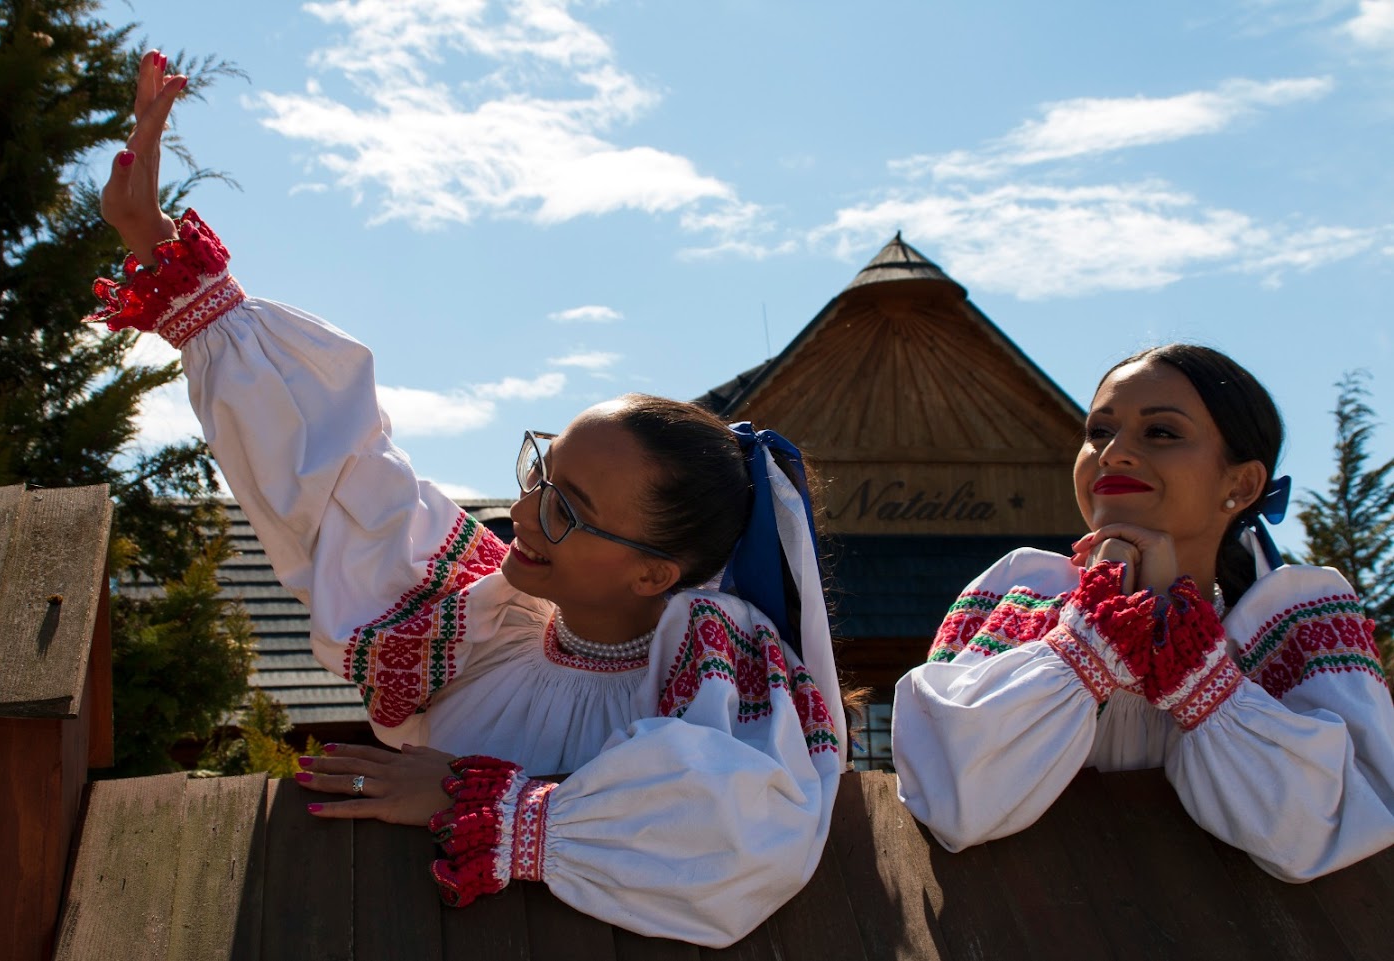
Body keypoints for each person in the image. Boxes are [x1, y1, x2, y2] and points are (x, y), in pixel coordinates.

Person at [88, 53, 846, 947]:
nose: (523, 514)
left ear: (655, 571)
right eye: (540, 472)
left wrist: (476, 798)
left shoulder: (716, 665)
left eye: (565, 507)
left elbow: (745, 833)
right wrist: (158, 249)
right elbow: (336, 480)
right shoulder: (478, 614)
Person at [891, 342, 1394, 881]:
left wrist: (1192, 664)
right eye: (1098, 432)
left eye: (1161, 433)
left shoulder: (1295, 624)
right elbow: (952, 799)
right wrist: (1092, 637)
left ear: (1242, 484)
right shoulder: (1018, 595)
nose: (1112, 453)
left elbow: (1325, 830)